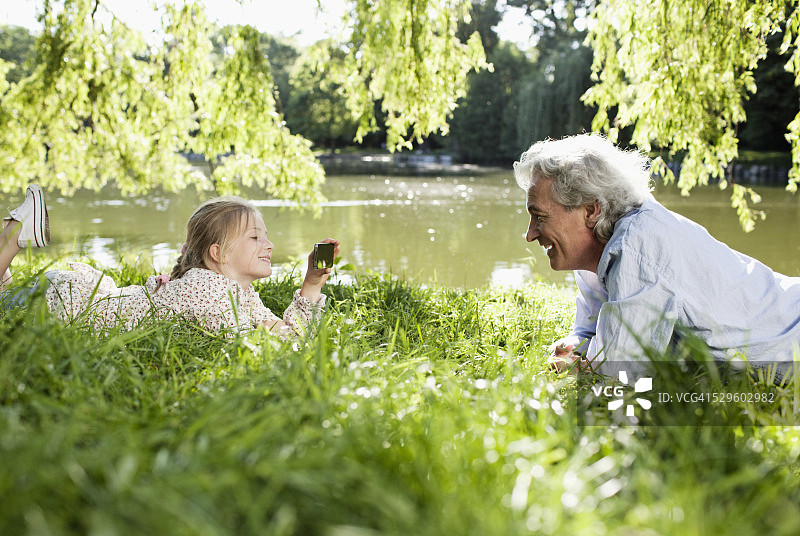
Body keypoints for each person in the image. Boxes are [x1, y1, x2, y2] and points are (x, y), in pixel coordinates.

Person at [514, 134, 800, 377]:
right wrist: (574, 347)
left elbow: (618, 375)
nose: (530, 234)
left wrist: (580, 367)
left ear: (590, 210)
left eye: (540, 217)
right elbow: (589, 331)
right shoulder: (593, 250)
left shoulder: (638, 245)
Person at [1, 185, 340, 337]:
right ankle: (14, 235)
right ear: (218, 254)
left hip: (74, 295)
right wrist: (272, 332)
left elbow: (292, 336)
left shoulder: (241, 294)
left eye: (265, 236)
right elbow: (269, 343)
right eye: (255, 237)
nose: (269, 244)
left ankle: (12, 236)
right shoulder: (209, 291)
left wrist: (311, 284)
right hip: (68, 304)